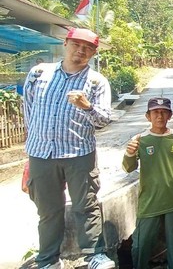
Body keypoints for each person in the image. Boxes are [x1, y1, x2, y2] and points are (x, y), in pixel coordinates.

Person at [23, 27, 115, 269]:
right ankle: (48, 260)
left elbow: (104, 121)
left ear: (93, 53)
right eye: (76, 44)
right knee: (48, 210)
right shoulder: (38, 74)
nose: (81, 51)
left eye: (88, 48)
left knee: (86, 205)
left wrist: (87, 107)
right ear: (66, 43)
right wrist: (29, 157)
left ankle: (93, 254)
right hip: (41, 153)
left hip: (78, 153)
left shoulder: (96, 81)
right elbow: (29, 115)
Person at [123, 98, 173, 269]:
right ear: (148, 116)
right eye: (155, 112)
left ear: (170, 115)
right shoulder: (140, 139)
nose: (160, 116)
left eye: (164, 112)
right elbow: (129, 168)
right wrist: (129, 153)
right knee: (140, 246)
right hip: (150, 202)